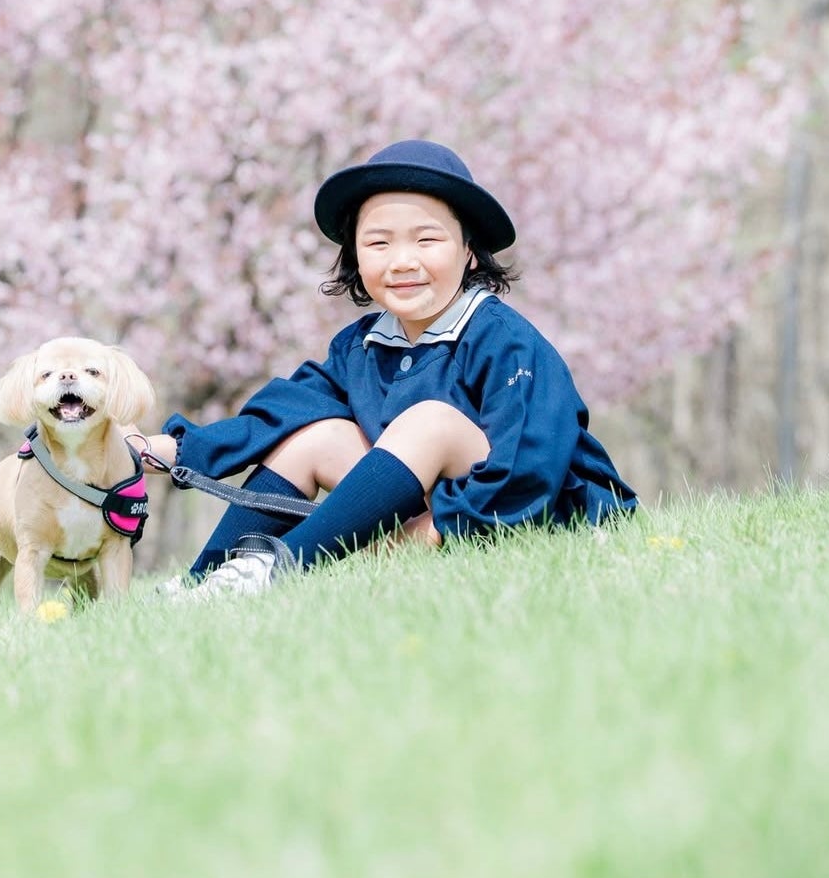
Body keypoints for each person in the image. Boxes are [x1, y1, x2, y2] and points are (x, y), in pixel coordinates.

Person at [140, 140, 637, 599]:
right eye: (379, 244)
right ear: (355, 255)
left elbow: (531, 466)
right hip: (435, 508)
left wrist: (433, 530)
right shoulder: (361, 345)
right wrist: (168, 450)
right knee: (312, 434)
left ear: (468, 251)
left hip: (530, 514)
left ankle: (279, 568)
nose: (402, 262)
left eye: (426, 240)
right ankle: (206, 582)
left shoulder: (504, 339)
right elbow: (280, 414)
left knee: (431, 421)